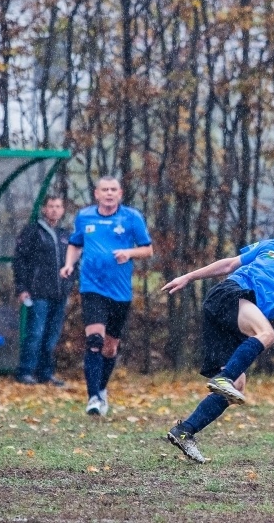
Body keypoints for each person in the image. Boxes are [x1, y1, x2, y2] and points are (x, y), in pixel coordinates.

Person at [161, 227, 274, 462]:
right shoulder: (273, 247)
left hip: (236, 323)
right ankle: (222, 380)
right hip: (229, 295)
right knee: (267, 334)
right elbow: (229, 264)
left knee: (238, 386)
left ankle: (184, 431)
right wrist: (189, 276)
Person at [59, 176, 153, 416]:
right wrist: (69, 264)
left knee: (110, 349)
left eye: (113, 190)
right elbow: (75, 243)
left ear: (120, 194)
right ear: (97, 194)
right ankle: (92, 399)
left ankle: (101, 389)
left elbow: (147, 249)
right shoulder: (85, 216)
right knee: (94, 342)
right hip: (91, 287)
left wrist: (129, 252)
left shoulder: (132, 217)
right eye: (105, 190)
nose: (109, 193)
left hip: (120, 292)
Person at [13, 195, 74, 386]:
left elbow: (74, 262)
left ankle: (45, 373)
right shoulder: (32, 232)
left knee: (52, 336)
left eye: (58, 206)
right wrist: (22, 288)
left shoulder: (65, 235)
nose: (55, 210)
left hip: (59, 294)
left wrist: (70, 284)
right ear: (44, 209)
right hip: (37, 292)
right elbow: (20, 260)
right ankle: (25, 371)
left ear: (63, 210)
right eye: (51, 206)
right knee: (35, 333)